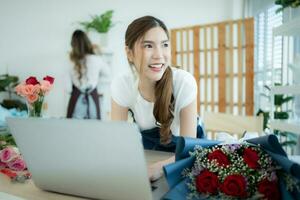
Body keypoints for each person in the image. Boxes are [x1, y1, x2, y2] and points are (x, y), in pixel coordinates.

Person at [111, 16, 204, 181]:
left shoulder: (183, 82)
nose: (159, 55)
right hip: (149, 155)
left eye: (165, 45)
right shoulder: (122, 84)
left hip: (186, 157)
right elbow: (116, 143)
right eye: (148, 46)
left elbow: (190, 150)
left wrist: (159, 168)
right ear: (129, 53)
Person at [67, 30, 110, 119]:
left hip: (76, 100)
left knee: (72, 130)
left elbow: (67, 88)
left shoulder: (70, 61)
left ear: (73, 44)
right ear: (87, 42)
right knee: (93, 129)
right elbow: (108, 74)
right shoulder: (96, 59)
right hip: (93, 98)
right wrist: (96, 80)